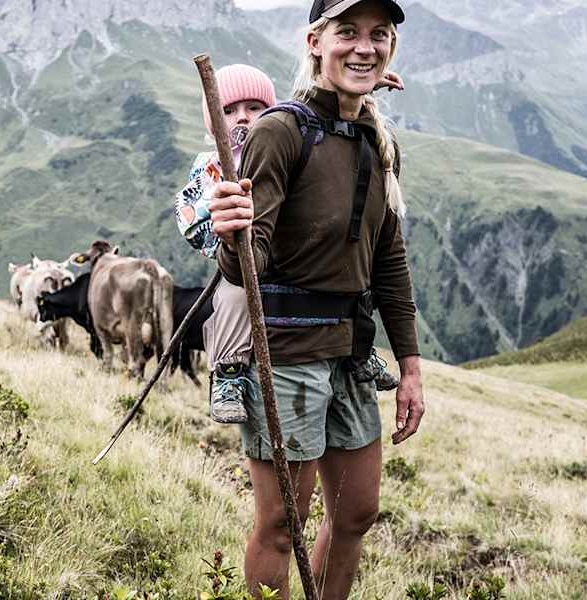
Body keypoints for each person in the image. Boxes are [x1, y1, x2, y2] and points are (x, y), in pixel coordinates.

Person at [207, 0, 425, 597]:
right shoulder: (280, 132)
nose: (365, 47)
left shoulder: (376, 138)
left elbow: (389, 261)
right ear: (315, 42)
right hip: (286, 355)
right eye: (347, 31)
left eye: (379, 34)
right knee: (283, 525)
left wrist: (409, 365)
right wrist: (232, 232)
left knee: (356, 513)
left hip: (350, 354)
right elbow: (247, 264)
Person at [173, 64, 403, 426]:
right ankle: (228, 374)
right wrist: (221, 221)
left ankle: (359, 350)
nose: (242, 118)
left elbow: (314, 112)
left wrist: (362, 88)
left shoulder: (281, 141)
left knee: (349, 270)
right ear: (212, 123)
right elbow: (189, 212)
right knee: (233, 297)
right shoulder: (213, 166)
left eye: (254, 107)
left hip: (288, 254)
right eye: (228, 111)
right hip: (241, 255)